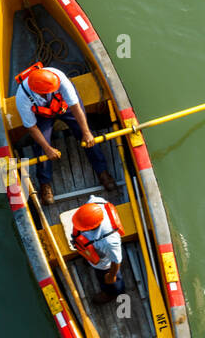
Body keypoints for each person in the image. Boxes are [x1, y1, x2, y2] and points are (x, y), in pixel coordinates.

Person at [14, 61, 116, 204]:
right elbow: (32, 127)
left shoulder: (60, 80)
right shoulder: (22, 97)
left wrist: (86, 132)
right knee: (41, 147)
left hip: (64, 106)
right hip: (42, 115)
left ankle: (102, 170)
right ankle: (45, 183)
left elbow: (76, 108)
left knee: (86, 133)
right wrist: (48, 149)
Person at [71, 196, 125, 304]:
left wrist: (111, 275)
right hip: (91, 249)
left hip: (104, 263)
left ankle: (112, 292)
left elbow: (116, 260)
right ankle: (88, 258)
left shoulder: (109, 241)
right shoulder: (95, 202)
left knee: (108, 279)